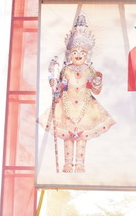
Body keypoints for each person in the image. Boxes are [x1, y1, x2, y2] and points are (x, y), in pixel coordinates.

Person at [40, 11, 115, 173]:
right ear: (69, 54)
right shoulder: (66, 69)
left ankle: (80, 163)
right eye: (75, 52)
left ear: (88, 55)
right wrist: (54, 81)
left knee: (82, 136)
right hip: (66, 105)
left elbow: (96, 90)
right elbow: (59, 87)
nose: (78, 55)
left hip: (85, 106)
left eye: (82, 52)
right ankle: (68, 163)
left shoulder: (90, 70)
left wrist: (97, 82)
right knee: (67, 135)